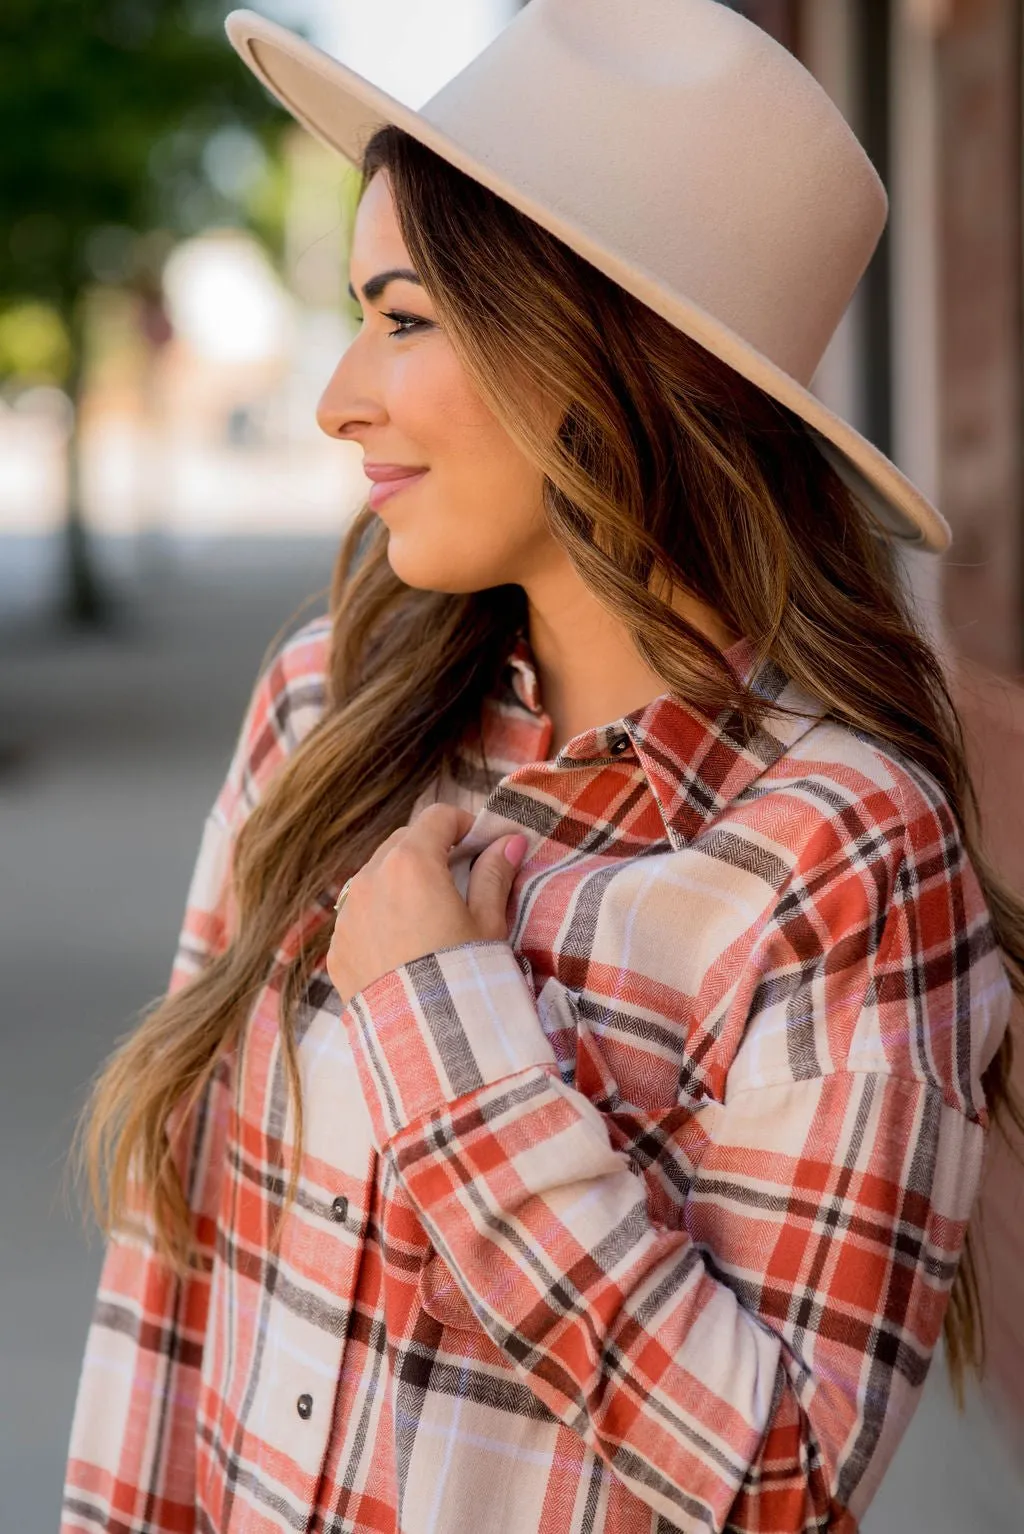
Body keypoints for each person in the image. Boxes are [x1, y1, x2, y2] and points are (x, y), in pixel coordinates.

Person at [62, 3, 1021, 1531]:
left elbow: (781, 1485)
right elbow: (165, 1280)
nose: (336, 400)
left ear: (608, 354)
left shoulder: (842, 857)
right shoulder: (324, 707)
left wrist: (443, 1032)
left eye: (403, 316)